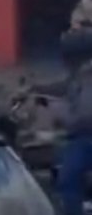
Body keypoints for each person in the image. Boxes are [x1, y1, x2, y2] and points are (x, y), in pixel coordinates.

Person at [29, 48, 92, 215]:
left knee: (67, 180)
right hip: (82, 135)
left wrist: (54, 108)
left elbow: (82, 118)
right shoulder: (79, 74)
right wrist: (35, 87)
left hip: (86, 138)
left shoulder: (88, 77)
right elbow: (62, 86)